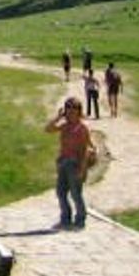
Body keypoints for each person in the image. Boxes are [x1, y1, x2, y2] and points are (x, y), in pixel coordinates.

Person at [45, 96, 93, 229]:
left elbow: (85, 151)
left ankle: (80, 219)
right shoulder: (65, 126)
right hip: (62, 162)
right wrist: (58, 117)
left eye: (74, 107)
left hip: (75, 164)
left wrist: (82, 170)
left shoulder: (82, 128)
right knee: (60, 192)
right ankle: (65, 218)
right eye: (68, 107)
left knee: (75, 193)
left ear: (79, 110)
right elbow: (48, 129)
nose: (71, 110)